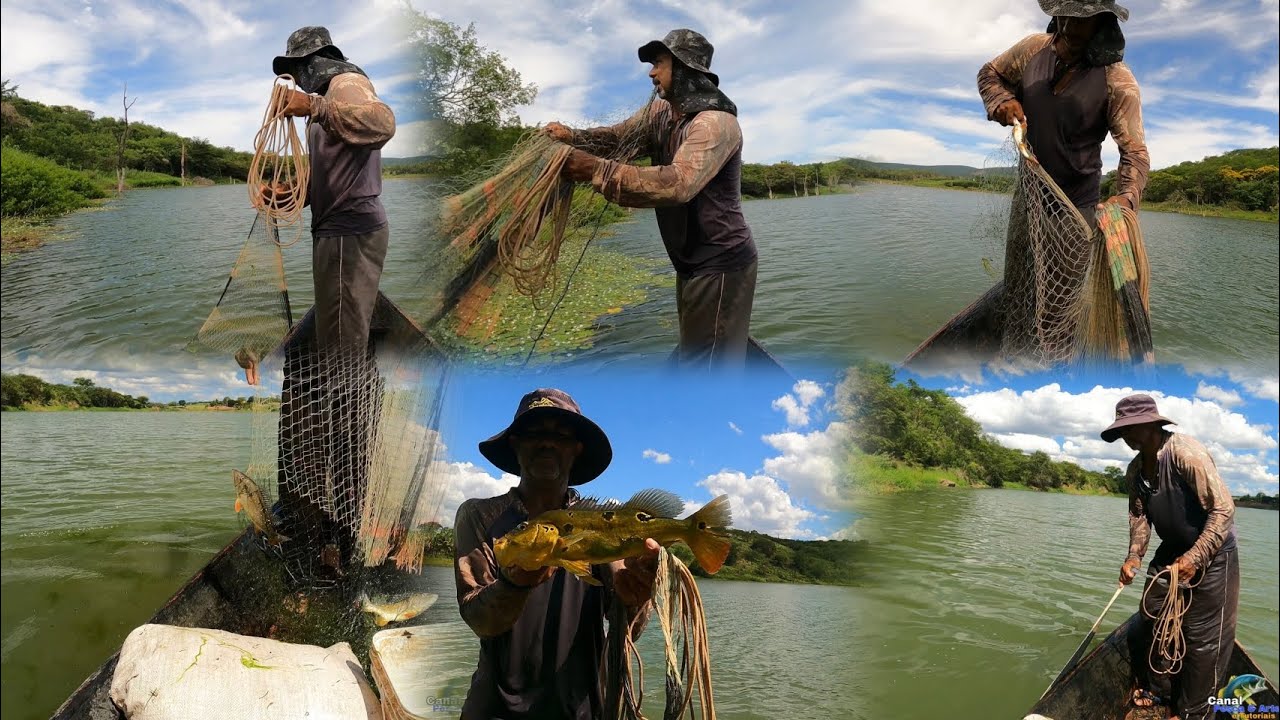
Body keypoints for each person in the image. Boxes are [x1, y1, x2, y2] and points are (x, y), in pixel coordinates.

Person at [543, 29, 758, 370]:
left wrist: (593, 170)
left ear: (686, 69)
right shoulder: (661, 116)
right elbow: (618, 139)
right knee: (698, 350)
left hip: (721, 263)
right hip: (689, 261)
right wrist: (575, 137)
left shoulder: (716, 124)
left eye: (659, 63)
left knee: (709, 367)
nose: (651, 72)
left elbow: (678, 184)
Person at [454, 389, 658, 719]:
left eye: (561, 435)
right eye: (535, 433)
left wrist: (636, 598)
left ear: (576, 450)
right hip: (495, 708)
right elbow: (479, 619)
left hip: (582, 708)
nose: (547, 443)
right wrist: (514, 585)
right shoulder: (480, 516)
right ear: (516, 444)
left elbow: (627, 628)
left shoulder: (600, 525)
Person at [1102, 394, 1239, 720]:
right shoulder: (1135, 470)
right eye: (1122, 431)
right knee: (1151, 613)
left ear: (1153, 424)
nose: (1127, 436)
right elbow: (1139, 518)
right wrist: (1133, 557)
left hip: (1214, 551)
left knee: (1203, 640)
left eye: (1132, 428)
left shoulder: (1185, 453)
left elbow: (1223, 510)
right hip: (1173, 549)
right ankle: (1159, 690)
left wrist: (1196, 556)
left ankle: (1193, 711)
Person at [268, 25, 396, 352]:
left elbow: (382, 123)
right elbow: (332, 169)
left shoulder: (346, 84)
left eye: (297, 69)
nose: (295, 79)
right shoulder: (322, 106)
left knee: (341, 339)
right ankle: (341, 385)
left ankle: (344, 397)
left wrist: (315, 107)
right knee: (336, 325)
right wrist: (296, 191)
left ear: (316, 61)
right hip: (334, 233)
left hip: (348, 233)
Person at [979, 0, 1149, 223]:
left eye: (1081, 19)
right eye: (1063, 15)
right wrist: (1001, 99)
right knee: (1018, 259)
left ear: (1102, 21)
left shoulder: (1118, 81)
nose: (1068, 27)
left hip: (1075, 210)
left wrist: (1127, 197)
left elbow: (1135, 153)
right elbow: (990, 72)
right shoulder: (1032, 48)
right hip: (1027, 199)